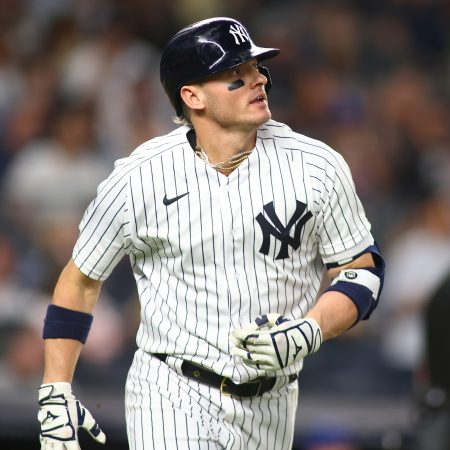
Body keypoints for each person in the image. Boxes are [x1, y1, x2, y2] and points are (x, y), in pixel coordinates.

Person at [37, 17, 385, 450]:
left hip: (273, 400)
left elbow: (362, 271)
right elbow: (81, 280)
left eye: (256, 68)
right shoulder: (140, 177)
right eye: (235, 75)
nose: (257, 80)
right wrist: (56, 387)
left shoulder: (317, 167)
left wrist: (312, 328)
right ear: (192, 95)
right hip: (171, 390)